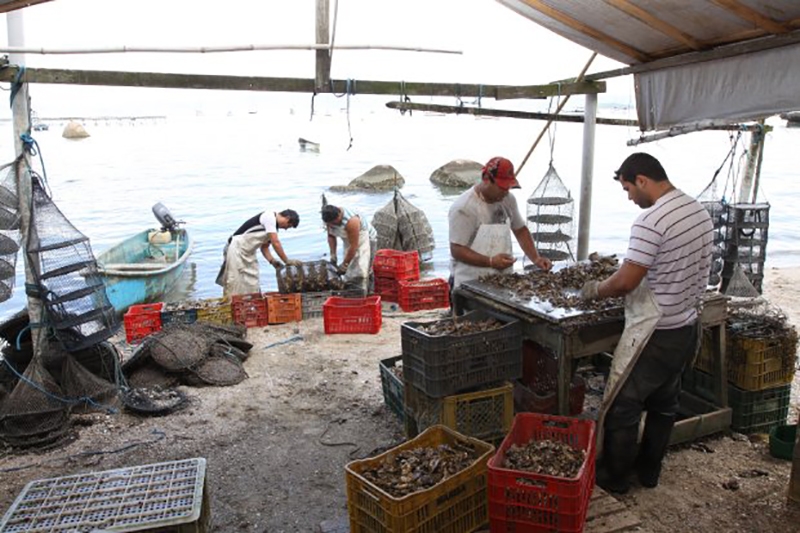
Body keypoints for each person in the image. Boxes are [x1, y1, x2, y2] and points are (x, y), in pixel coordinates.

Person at [580, 153, 713, 494]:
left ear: (642, 180)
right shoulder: (696, 210)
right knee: (664, 403)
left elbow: (626, 281)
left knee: (623, 406)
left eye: (628, 188)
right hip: (686, 325)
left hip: (656, 332)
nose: (629, 197)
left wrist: (596, 289)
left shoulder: (651, 221)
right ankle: (649, 471)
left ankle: (616, 478)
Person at [448, 156, 552, 290]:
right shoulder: (464, 208)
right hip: (468, 283)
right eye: (502, 187)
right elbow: (457, 250)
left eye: (508, 187)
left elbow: (520, 230)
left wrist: (536, 258)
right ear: (486, 180)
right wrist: (490, 261)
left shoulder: (508, 199)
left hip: (502, 281)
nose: (505, 192)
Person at [216, 209, 301, 297]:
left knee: (252, 281)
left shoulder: (273, 229)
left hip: (249, 252)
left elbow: (264, 248)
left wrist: (272, 261)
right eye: (288, 225)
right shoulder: (269, 217)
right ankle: (232, 303)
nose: (286, 228)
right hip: (236, 248)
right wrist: (286, 261)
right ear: (287, 218)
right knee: (235, 280)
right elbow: (276, 243)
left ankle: (250, 304)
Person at [322, 204, 377, 295]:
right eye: (330, 223)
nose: (333, 225)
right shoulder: (328, 219)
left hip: (365, 238)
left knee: (364, 267)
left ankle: (368, 292)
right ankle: (352, 290)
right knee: (351, 267)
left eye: (335, 222)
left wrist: (344, 265)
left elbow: (354, 246)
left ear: (339, 214)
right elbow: (331, 236)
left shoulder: (352, 221)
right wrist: (333, 255)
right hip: (349, 239)